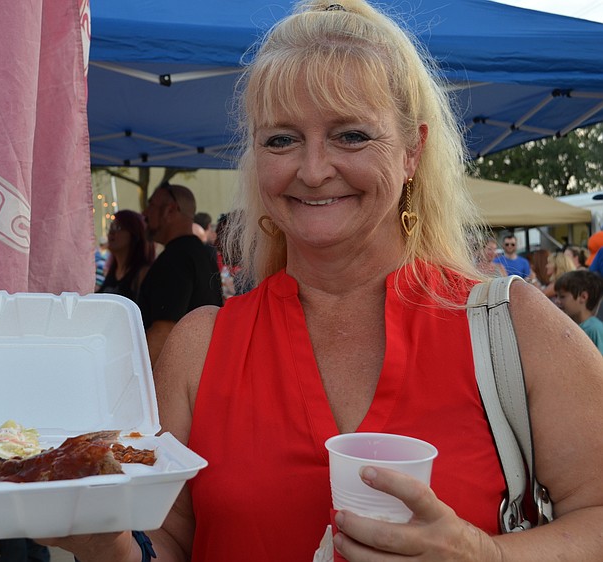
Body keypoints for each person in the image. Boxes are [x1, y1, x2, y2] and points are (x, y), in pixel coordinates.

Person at [44, 1, 603, 560]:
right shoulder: (202, 346)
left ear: (413, 151)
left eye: (351, 135)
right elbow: (164, 540)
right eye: (281, 140)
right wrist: (109, 543)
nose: (312, 170)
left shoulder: (512, 327)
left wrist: (491, 556)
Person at [136, 183, 223, 365]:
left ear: (170, 210)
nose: (144, 213)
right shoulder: (199, 253)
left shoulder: (176, 258)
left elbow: (164, 330)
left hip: (176, 375)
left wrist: (131, 378)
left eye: (151, 205)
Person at [97, 210, 154, 304]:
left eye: (118, 227)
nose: (111, 232)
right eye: (111, 227)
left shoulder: (143, 273)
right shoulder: (112, 271)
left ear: (134, 234)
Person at [554, 269, 603, 354]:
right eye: (556, 296)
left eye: (562, 296)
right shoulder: (568, 326)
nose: (557, 301)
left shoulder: (594, 329)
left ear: (583, 297)